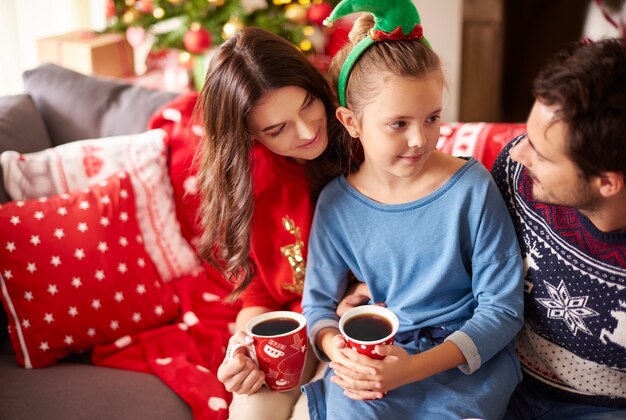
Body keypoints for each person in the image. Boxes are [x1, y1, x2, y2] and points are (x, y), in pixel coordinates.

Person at [300, 1, 525, 418]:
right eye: (398, 123)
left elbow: (503, 309)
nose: (421, 140)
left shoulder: (471, 189)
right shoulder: (336, 205)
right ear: (351, 123)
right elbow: (317, 308)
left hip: (461, 366)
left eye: (432, 118)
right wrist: (341, 353)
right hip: (378, 361)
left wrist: (411, 370)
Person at [194, 27, 349, 419]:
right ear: (249, 137)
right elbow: (259, 294)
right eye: (277, 129)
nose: (308, 131)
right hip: (294, 330)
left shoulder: (359, 135)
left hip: (356, 329)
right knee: (250, 413)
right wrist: (242, 347)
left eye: (309, 104)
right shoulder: (252, 181)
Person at [492, 38, 626, 418]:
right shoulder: (517, 175)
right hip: (502, 377)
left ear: (607, 182)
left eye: (541, 152)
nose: (519, 152)